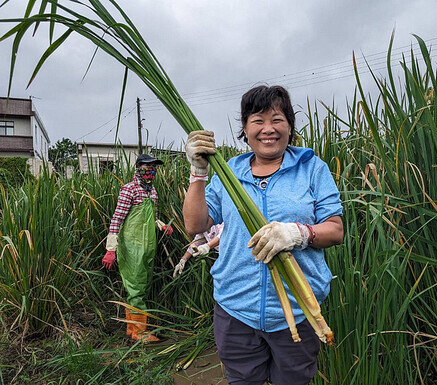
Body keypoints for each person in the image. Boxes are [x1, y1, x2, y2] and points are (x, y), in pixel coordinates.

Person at [183, 85, 344, 385]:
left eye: (277, 119)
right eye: (258, 120)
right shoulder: (229, 172)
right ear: (244, 128)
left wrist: (298, 233)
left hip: (298, 311)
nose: (268, 129)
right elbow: (196, 225)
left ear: (290, 126)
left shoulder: (311, 168)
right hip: (235, 309)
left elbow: (335, 230)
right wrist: (198, 173)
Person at [102, 153, 173, 343]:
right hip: (132, 246)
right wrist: (111, 250)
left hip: (148, 245)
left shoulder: (152, 192)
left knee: (142, 286)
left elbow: (154, 216)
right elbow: (117, 219)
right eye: (148, 167)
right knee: (136, 288)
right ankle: (140, 333)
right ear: (139, 167)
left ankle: (131, 328)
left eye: (154, 168)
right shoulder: (129, 190)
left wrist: (162, 225)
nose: (151, 171)